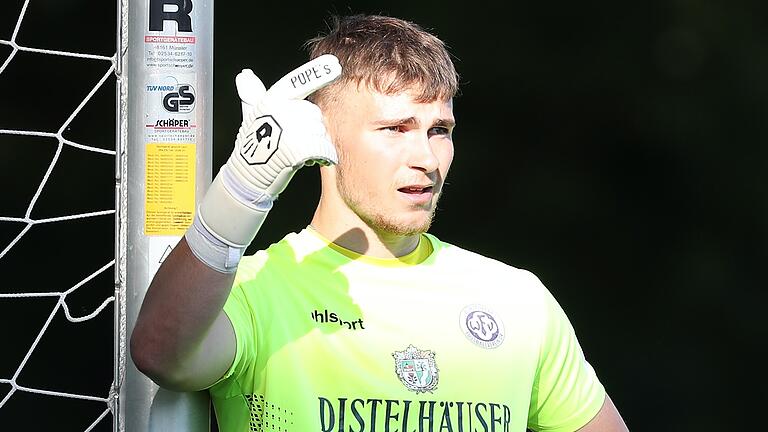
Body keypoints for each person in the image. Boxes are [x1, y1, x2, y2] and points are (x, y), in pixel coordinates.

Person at [131, 14, 629, 432]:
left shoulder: (516, 300)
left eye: (440, 130)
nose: (426, 158)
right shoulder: (257, 289)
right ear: (320, 134)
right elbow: (160, 353)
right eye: (395, 129)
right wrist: (242, 186)